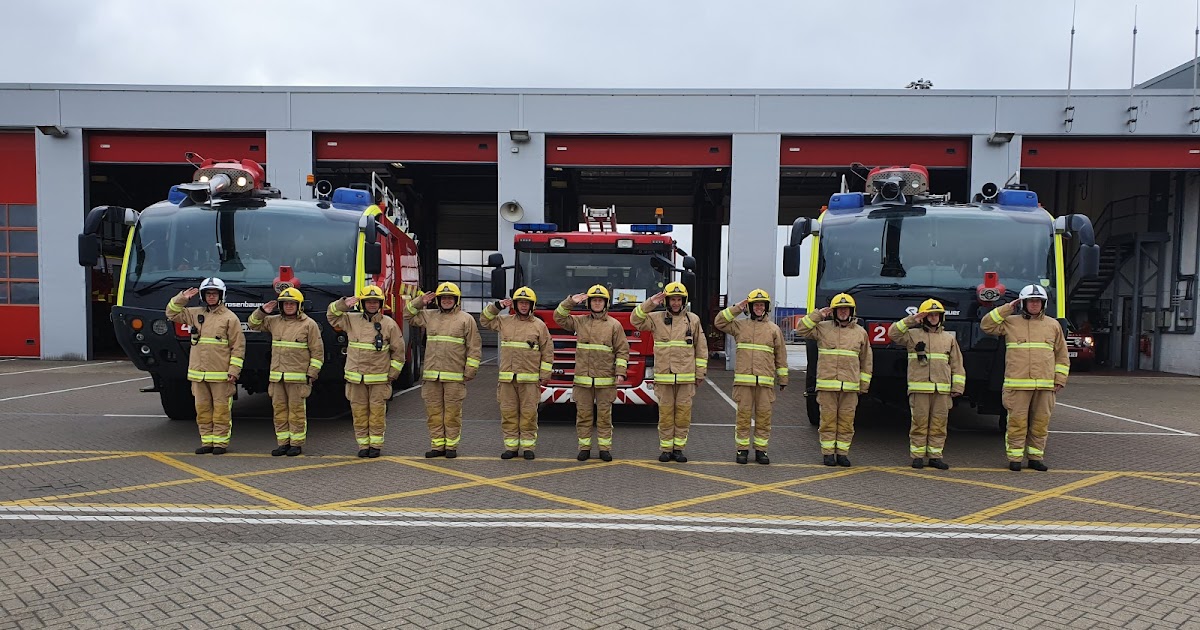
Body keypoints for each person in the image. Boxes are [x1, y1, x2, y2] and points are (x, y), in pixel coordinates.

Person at [981, 284, 1069, 471]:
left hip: (1045, 387)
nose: (1035, 304)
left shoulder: (1053, 325)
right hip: (1017, 386)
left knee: (1040, 424)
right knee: (1016, 423)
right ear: (1023, 303)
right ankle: (1015, 459)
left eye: (1038, 301)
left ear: (1043, 304)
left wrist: (1060, 379)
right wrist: (1008, 307)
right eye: (1031, 301)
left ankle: (1036, 458)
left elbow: (1062, 355)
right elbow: (986, 325)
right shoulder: (1010, 322)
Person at [165, 277, 245, 455]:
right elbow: (171, 313)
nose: (211, 296)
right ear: (203, 296)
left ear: (221, 295)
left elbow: (238, 347)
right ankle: (207, 442)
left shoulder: (230, 318)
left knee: (221, 411)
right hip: (198, 374)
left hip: (221, 376)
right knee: (202, 410)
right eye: (208, 293)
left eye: (215, 293)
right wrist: (182, 298)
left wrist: (234, 371)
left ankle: (220, 443)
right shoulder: (194, 313)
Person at [632, 282, 708, 463]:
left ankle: (678, 449)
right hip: (664, 379)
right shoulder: (655, 318)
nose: (675, 303)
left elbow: (701, 348)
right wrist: (650, 303)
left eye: (678, 299)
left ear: (684, 301)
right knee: (665, 415)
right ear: (667, 301)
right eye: (672, 299)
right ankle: (666, 449)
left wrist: (700, 373)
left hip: (686, 379)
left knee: (682, 415)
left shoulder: (693, 320)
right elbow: (635, 320)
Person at [406, 282, 482, 459]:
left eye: (450, 298)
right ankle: (437, 446)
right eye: (443, 298)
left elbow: (474, 346)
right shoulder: (429, 315)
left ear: (456, 300)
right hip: (432, 376)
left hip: (454, 377)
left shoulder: (466, 319)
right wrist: (420, 302)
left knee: (452, 414)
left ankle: (451, 447)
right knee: (434, 413)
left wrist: (471, 370)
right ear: (438, 300)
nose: (446, 301)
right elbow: (408, 315)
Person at [554, 285, 630, 462]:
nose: (597, 303)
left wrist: (620, 372)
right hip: (583, 381)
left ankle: (604, 449)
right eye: (594, 300)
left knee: (604, 417)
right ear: (589, 303)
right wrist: (570, 302)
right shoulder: (579, 322)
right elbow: (558, 317)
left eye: (600, 300)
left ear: (606, 303)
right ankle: (584, 448)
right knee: (583, 416)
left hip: (605, 381)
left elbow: (622, 350)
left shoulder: (614, 325)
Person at [328, 285, 405, 458]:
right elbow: (331, 316)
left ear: (380, 304)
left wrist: (392, 374)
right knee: (359, 413)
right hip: (356, 380)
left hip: (379, 380)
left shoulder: (389, 324)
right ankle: (363, 445)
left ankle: (375, 446)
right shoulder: (351, 319)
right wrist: (343, 305)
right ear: (362, 303)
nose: (372, 304)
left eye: (375, 302)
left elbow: (399, 352)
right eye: (368, 301)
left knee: (377, 414)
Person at [795, 293, 872, 467]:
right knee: (828, 422)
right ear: (834, 311)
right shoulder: (823, 328)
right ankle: (828, 453)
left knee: (846, 423)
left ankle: (842, 454)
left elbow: (866, 360)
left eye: (846, 309)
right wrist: (818, 315)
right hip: (827, 387)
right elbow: (801, 329)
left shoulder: (860, 333)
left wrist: (863, 385)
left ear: (852, 311)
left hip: (850, 388)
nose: (843, 312)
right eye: (839, 309)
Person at [888, 298, 965, 470]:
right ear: (923, 317)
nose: (933, 317)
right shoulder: (912, 335)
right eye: (930, 315)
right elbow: (893, 333)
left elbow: (957, 364)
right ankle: (917, 456)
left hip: (942, 391)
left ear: (941, 317)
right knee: (919, 423)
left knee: (939, 424)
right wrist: (912, 319)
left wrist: (957, 387)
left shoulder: (948, 338)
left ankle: (935, 456)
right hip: (920, 390)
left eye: (936, 314)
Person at [714, 289, 788, 465]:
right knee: (743, 417)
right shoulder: (740, 326)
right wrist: (737, 308)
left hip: (765, 384)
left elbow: (780, 356)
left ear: (766, 307)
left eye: (762, 305)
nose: (759, 308)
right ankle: (742, 449)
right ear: (750, 307)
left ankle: (761, 451)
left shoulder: (774, 330)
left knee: (764, 417)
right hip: (744, 383)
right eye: (756, 305)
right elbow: (719, 322)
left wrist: (783, 378)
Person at [248, 287, 324, 457]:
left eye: (292, 304)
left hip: (298, 378)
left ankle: (296, 444)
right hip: (277, 378)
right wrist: (262, 311)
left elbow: (317, 351)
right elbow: (253, 324)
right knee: (279, 411)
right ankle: (283, 444)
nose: (289, 306)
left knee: (296, 412)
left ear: (299, 306)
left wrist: (312, 372)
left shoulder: (309, 324)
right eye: (285, 304)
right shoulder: (273, 321)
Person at [480, 286, 553, 460]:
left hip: (530, 381)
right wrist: (497, 306)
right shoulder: (504, 321)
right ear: (515, 304)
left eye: (527, 303)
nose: (523, 306)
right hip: (507, 380)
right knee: (509, 413)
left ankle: (528, 447)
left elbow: (547, 351)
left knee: (529, 414)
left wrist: (545, 375)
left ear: (532, 305)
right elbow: (484, 320)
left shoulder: (539, 326)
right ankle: (511, 447)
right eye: (520, 302)